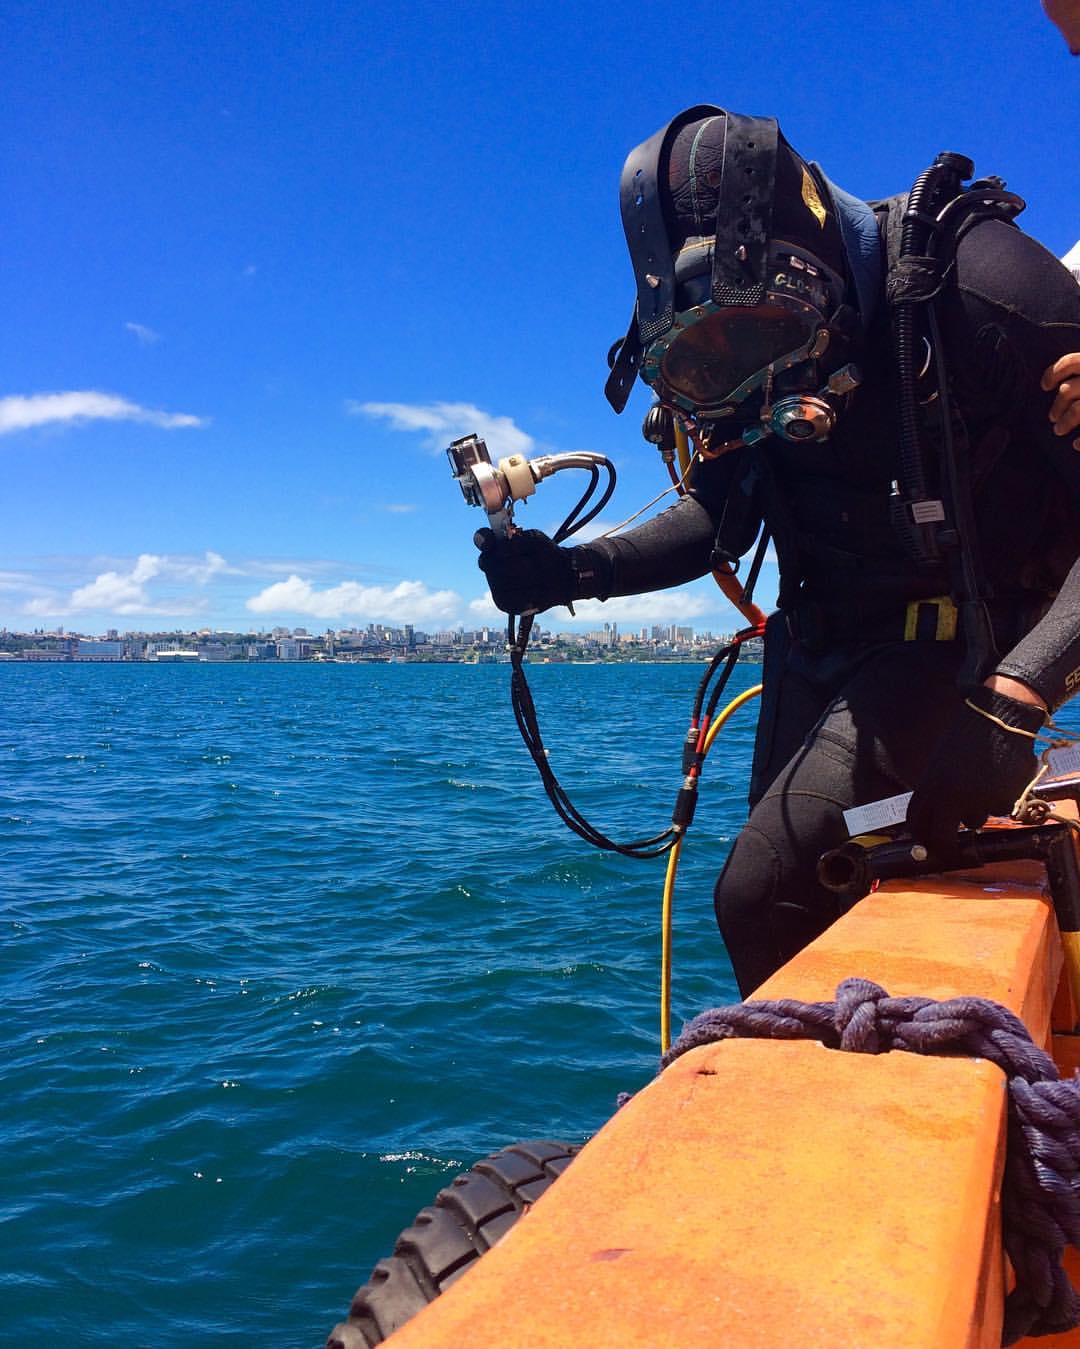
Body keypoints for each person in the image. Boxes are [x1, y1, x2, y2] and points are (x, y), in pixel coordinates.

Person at [477, 106, 1080, 996]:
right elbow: (718, 519)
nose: (764, 386)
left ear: (821, 260)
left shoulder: (981, 286)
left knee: (763, 892)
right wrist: (574, 570)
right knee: (816, 882)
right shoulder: (733, 344)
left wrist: (1018, 696)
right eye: (713, 365)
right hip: (815, 646)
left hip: (961, 645)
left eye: (769, 337)